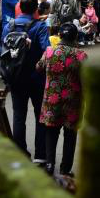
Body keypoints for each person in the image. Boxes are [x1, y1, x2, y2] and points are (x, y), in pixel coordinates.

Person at [37, 23, 87, 177]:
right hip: (73, 101)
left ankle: (50, 165)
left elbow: (38, 67)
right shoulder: (80, 55)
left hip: (51, 100)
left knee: (51, 132)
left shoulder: (49, 51)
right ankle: (65, 168)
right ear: (75, 37)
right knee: (70, 135)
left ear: (60, 35)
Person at [7, 0, 50, 164]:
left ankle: (20, 152)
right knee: (40, 114)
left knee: (18, 115)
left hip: (15, 76)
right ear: (35, 9)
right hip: (36, 76)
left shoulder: (9, 25)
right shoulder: (40, 26)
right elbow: (47, 50)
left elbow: (4, 48)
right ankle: (40, 155)